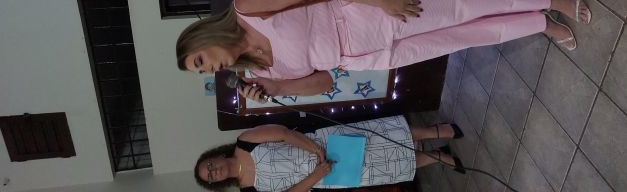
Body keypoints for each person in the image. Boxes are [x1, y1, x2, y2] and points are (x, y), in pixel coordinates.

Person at [175, 0, 590, 102]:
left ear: (202, 38)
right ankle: (538, 23)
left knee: (465, 4)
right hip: (366, 57)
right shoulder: (259, 73)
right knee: (463, 37)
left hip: (365, 12)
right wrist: (278, 88)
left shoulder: (247, 6)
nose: (209, 69)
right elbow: (324, 81)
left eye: (199, 61)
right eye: (202, 72)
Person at [194, 116, 465, 191]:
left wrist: (315, 149)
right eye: (211, 177)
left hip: (322, 143)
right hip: (326, 176)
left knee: (384, 138)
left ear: (214, 157)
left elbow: (282, 133)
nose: (214, 171)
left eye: (209, 166)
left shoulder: (244, 142)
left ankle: (437, 131)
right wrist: (317, 175)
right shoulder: (248, 190)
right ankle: (439, 157)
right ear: (216, 183)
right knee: (388, 165)